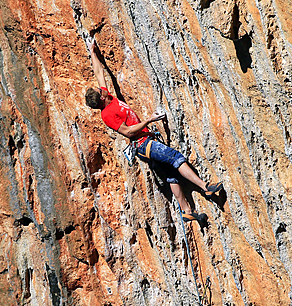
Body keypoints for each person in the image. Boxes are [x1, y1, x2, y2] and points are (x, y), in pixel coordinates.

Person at [84, 38, 223, 223]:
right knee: (174, 157)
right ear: (100, 99)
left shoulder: (107, 96)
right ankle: (205, 186)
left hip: (145, 143)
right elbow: (128, 132)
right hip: (142, 144)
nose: (103, 90)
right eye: (101, 92)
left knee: (172, 176)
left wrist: (93, 52)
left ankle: (187, 211)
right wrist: (149, 119)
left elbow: (99, 72)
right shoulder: (107, 114)